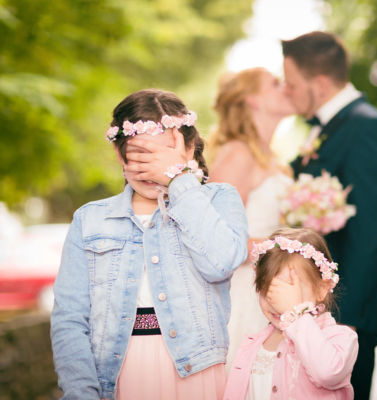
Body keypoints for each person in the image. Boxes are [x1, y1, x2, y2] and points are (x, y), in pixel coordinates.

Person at [50, 89, 249, 400]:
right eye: (139, 154)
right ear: (119, 154)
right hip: (116, 373)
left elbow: (221, 262)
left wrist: (179, 180)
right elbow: (70, 318)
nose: (151, 167)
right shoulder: (89, 220)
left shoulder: (218, 200)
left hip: (194, 371)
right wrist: (80, 391)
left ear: (190, 149)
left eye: (163, 154)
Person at [282, 31, 377, 399]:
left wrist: (339, 320)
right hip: (315, 309)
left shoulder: (368, 128)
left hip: (346, 315)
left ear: (319, 83)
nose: (288, 92)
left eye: (292, 84)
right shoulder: (327, 130)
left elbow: (370, 235)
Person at [206, 67, 295, 365]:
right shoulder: (238, 154)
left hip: (277, 287)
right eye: (275, 84)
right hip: (248, 291)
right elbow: (217, 238)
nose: (286, 87)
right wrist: (286, 254)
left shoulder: (274, 160)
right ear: (253, 100)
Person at [223, 227, 358, 399]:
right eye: (270, 291)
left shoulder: (340, 338)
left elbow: (327, 373)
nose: (278, 304)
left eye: (289, 292)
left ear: (321, 289)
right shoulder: (253, 343)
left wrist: (296, 314)